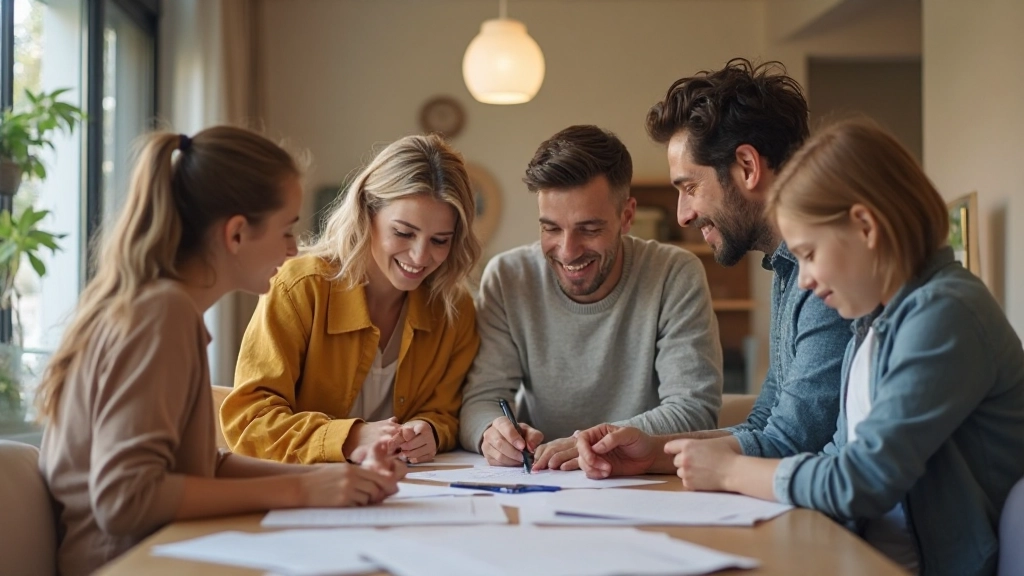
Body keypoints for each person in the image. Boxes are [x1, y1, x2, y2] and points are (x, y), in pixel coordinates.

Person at [36, 127, 405, 576]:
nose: (293, 249)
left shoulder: (159, 308)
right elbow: (125, 499)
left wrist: (330, 480)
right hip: (134, 563)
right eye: (286, 229)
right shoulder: (162, 314)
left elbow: (201, 468)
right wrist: (302, 493)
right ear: (235, 234)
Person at [665, 118, 1024, 575]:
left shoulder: (945, 314)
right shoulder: (873, 325)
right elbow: (835, 456)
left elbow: (862, 479)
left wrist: (730, 471)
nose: (807, 280)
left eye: (811, 254)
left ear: (865, 227)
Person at [576, 59, 850, 479]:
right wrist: (649, 450)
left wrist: (661, 454)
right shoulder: (786, 269)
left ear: (747, 166)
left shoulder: (830, 275)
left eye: (689, 187)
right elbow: (764, 427)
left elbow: (792, 441)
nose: (683, 215)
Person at [459, 124, 723, 470]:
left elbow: (694, 409)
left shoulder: (674, 274)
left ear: (626, 216)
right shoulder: (507, 277)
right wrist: (490, 432)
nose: (568, 251)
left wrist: (588, 444)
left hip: (639, 482)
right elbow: (481, 399)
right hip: (539, 481)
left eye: (589, 229)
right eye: (551, 228)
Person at [221, 134, 481, 465]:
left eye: (440, 240)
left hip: (409, 492)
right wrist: (350, 437)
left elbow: (448, 412)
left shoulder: (454, 309)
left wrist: (430, 429)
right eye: (403, 233)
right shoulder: (300, 287)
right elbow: (249, 421)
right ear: (366, 214)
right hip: (307, 496)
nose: (420, 256)